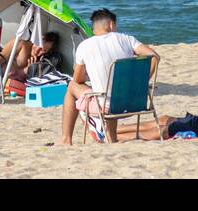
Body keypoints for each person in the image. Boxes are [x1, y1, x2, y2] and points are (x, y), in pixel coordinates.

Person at [60, 9, 158, 145]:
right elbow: (154, 56)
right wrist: (142, 81)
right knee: (113, 87)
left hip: (107, 107)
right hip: (135, 103)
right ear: (111, 25)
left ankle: (66, 139)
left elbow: (78, 80)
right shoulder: (127, 39)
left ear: (94, 29)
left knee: (72, 86)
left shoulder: (84, 46)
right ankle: (112, 139)